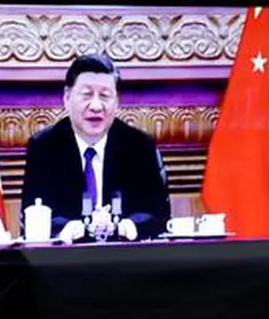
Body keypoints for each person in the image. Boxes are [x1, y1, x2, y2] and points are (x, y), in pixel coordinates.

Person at [21, 53, 170, 242]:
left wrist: (125, 227)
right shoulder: (44, 147)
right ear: (67, 98)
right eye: (87, 95)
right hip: (64, 262)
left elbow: (157, 214)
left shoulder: (139, 146)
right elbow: (33, 213)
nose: (96, 106)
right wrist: (72, 228)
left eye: (105, 96)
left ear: (116, 101)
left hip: (127, 261)